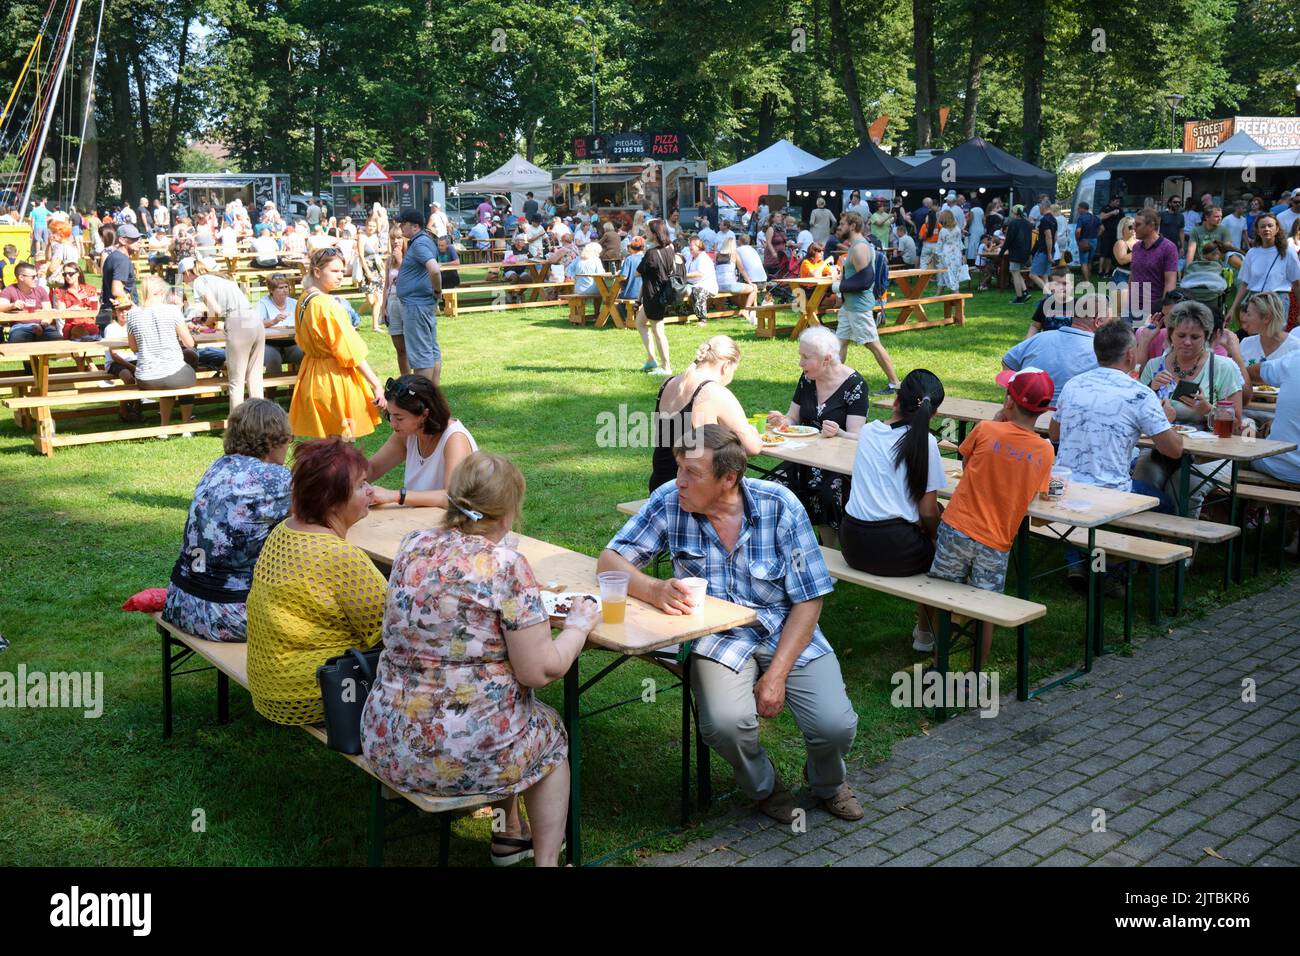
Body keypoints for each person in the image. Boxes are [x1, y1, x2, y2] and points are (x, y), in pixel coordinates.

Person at [599, 424, 862, 823]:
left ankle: (826, 783)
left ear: (729, 479)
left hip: (785, 627)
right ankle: (765, 787)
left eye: (692, 473)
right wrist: (653, 590)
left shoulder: (780, 506)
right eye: (679, 468)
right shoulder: (670, 500)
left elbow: (809, 600)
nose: (679, 481)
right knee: (725, 725)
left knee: (835, 725)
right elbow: (610, 561)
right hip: (716, 637)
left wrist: (776, 676)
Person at [360, 452, 590, 867]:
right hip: (462, 754)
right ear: (507, 515)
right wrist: (578, 627)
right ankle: (547, 863)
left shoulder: (413, 544)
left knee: (501, 710)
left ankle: (508, 834)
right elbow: (540, 671)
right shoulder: (506, 565)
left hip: (386, 739)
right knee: (548, 735)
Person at [246, 437, 385, 726]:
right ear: (332, 503)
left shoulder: (284, 530)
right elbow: (392, 629)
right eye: (361, 485)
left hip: (267, 679)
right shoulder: (339, 556)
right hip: (314, 690)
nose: (371, 490)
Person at [928, 369, 1055, 663]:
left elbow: (967, 460)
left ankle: (939, 661)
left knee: (942, 597)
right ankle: (976, 673)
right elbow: (1040, 491)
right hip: (996, 542)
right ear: (1044, 410)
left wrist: (997, 423)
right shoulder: (1045, 451)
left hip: (957, 527)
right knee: (986, 609)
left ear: (1009, 401)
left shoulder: (985, 430)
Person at [1051, 321, 1183, 588]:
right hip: (1111, 491)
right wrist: (1166, 420)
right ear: (1131, 355)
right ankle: (1117, 569)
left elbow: (1054, 434)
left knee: (1091, 493)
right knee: (1165, 505)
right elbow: (1174, 449)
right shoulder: (1140, 394)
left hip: (1062, 485)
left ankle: (1078, 560)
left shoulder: (1074, 385)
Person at [162, 400, 294, 643]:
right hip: (226, 614)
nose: (289, 446)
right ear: (273, 439)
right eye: (289, 438)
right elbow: (333, 501)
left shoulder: (219, 465)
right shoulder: (275, 478)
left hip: (181, 601)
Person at [840, 369, 947, 650]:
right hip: (895, 548)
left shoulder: (869, 432)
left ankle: (925, 634)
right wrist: (937, 536)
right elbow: (927, 512)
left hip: (852, 542)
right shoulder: (927, 442)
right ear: (933, 414)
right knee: (947, 553)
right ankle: (927, 635)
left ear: (896, 401)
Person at [1134, 301, 1245, 516]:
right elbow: (1133, 414)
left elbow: (1238, 425)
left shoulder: (1223, 367)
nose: (1187, 342)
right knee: (1144, 482)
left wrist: (1207, 409)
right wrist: (1151, 392)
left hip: (1212, 454)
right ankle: (1143, 541)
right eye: (1181, 335)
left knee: (1183, 485)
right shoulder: (1154, 366)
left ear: (1206, 337)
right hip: (1162, 448)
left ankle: (1182, 546)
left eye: (1195, 337)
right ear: (1170, 335)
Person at [766, 326, 868, 539]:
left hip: (836, 465)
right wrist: (782, 421)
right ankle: (789, 544)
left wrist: (839, 433)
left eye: (806, 357)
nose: (800, 363)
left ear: (827, 359)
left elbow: (858, 437)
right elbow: (793, 417)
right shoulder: (807, 378)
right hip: (802, 458)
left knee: (824, 494)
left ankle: (827, 555)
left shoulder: (855, 385)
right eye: (800, 356)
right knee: (771, 489)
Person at [289, 248, 388, 438]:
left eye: (342, 271)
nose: (340, 276)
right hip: (332, 377)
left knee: (324, 441)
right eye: (334, 271)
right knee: (340, 440)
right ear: (317, 272)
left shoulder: (304, 299)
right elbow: (350, 351)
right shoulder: (326, 305)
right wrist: (375, 384)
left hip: (311, 374)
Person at [647, 336, 763, 492]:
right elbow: (752, 448)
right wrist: (754, 433)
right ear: (726, 366)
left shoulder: (669, 383)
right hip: (693, 491)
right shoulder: (714, 392)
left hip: (660, 486)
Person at [365, 374, 478, 509]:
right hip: (424, 521)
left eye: (399, 418)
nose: (393, 424)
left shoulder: (454, 439)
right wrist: (342, 482)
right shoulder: (407, 434)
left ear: (424, 414)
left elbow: (453, 498)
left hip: (460, 525)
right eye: (390, 415)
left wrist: (396, 496)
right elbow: (372, 468)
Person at [181, 256, 264, 411]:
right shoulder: (222, 278)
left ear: (187, 272)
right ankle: (261, 422)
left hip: (237, 322)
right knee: (255, 378)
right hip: (254, 320)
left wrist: (204, 325)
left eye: (183, 278)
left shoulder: (200, 281)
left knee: (236, 381)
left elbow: (216, 310)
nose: (185, 283)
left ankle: (236, 426)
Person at [830, 211, 900, 394]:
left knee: (873, 344)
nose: (840, 227)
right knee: (840, 343)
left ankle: (895, 383)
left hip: (859, 307)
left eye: (843, 223)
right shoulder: (857, 245)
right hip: (850, 306)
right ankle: (834, 380)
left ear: (853, 226)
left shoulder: (860, 247)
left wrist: (839, 286)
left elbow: (865, 280)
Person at [1004, 292, 1108, 406]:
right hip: (1069, 419)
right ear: (1098, 321)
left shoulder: (1039, 338)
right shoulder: (1103, 352)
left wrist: (1015, 396)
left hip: (1028, 414)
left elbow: (1008, 362)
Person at [126, 276, 198, 431]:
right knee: (186, 370)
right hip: (173, 374)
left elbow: (134, 347)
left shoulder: (132, 314)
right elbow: (189, 343)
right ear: (161, 291)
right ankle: (186, 425)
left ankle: (164, 426)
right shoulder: (172, 310)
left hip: (145, 378)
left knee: (170, 376)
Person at [393, 208, 443, 384]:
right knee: (430, 351)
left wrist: (437, 291)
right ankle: (433, 398)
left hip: (416, 306)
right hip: (421, 304)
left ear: (415, 226)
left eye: (403, 224)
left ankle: (422, 399)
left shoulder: (420, 243)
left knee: (421, 355)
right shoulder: (423, 241)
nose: (400, 227)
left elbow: (434, 270)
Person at [1228, 213, 1300, 330]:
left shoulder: (1288, 252)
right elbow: (1245, 284)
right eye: (1262, 226)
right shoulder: (1252, 253)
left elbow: (1297, 284)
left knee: (1275, 338)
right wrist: (1233, 308)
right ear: (1257, 230)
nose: (1266, 229)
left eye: (1270, 226)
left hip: (1278, 301)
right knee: (1255, 336)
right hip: (1256, 301)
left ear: (1277, 229)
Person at [635, 219, 681, 375]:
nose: (645, 233)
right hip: (661, 293)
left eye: (648, 231)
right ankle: (651, 359)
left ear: (654, 234)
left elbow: (637, 272)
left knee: (658, 331)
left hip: (653, 295)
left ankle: (666, 366)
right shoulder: (670, 248)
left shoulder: (651, 253)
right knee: (640, 322)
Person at [1129, 208, 1179, 322]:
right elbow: (1133, 275)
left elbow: (1170, 282)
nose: (1134, 228)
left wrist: (1163, 311)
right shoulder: (1136, 247)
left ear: (1151, 226)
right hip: (1133, 307)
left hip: (1153, 309)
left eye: (1138, 224)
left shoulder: (1168, 248)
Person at [255, 274, 304, 373]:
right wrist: (273, 321)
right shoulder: (263, 303)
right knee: (273, 361)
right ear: (271, 290)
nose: (285, 290)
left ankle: (298, 387)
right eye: (281, 288)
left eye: (286, 287)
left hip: (292, 343)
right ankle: (272, 388)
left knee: (305, 357)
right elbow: (256, 324)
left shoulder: (294, 303)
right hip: (270, 343)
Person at [97, 224, 140, 331]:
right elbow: (117, 291)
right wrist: (135, 308)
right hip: (119, 317)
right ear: (122, 240)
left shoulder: (113, 256)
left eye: (138, 238)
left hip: (106, 312)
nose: (139, 241)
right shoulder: (122, 260)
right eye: (134, 239)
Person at [0, 261, 58, 343]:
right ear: (21, 277)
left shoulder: (40, 290)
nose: (36, 279)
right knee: (17, 341)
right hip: (20, 327)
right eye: (33, 277)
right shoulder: (9, 290)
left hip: (42, 325)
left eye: (37, 276)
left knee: (57, 338)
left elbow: (48, 314)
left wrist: (42, 326)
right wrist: (12, 305)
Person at [714, 236, 758, 323]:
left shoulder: (717, 255)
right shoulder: (733, 254)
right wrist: (750, 282)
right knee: (754, 289)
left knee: (723, 294)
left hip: (718, 286)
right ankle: (746, 310)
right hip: (730, 285)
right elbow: (742, 270)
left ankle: (719, 314)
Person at [684, 235, 718, 326]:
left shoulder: (703, 258)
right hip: (692, 284)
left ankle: (702, 319)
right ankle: (683, 313)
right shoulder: (690, 257)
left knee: (697, 291)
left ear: (699, 247)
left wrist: (684, 276)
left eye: (692, 245)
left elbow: (700, 273)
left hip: (707, 286)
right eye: (689, 245)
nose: (690, 247)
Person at [935, 209, 969, 292]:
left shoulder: (943, 231)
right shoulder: (957, 229)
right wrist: (963, 255)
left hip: (946, 254)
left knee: (946, 273)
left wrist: (936, 255)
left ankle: (955, 292)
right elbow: (960, 243)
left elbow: (939, 244)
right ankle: (942, 292)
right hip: (957, 253)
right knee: (954, 272)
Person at [616, 235, 645, 326]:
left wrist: (618, 275)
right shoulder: (646, 258)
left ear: (631, 248)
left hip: (631, 293)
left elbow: (624, 276)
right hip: (644, 293)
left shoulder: (629, 259)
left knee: (616, 300)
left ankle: (626, 319)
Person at [1029, 198, 1057, 291]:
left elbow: (1048, 237)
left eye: (1039, 207)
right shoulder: (1053, 219)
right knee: (1044, 275)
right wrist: (1052, 250)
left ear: (1043, 207)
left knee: (1033, 274)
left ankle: (1049, 294)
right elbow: (1055, 237)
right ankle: (1048, 300)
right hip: (1050, 250)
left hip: (1044, 251)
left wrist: (1048, 253)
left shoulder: (1045, 220)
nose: (1039, 210)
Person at [1072, 201, 1101, 283]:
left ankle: (1086, 282)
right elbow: (1102, 228)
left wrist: (1078, 240)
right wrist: (1096, 236)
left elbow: (1078, 231)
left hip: (1084, 241)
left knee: (1084, 262)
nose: (1078, 210)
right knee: (1089, 261)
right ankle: (1087, 278)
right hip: (1094, 241)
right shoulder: (1095, 217)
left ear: (1082, 208)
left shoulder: (1081, 218)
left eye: (1078, 208)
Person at [1096, 195, 1124, 276]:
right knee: (1103, 253)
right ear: (1111, 201)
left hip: (1115, 235)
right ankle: (1100, 271)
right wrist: (1112, 213)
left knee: (1111, 254)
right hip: (1105, 234)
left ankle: (1107, 272)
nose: (1118, 203)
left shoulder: (1120, 210)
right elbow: (1101, 217)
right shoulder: (1105, 208)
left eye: (1119, 201)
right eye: (1116, 201)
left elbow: (1123, 221)